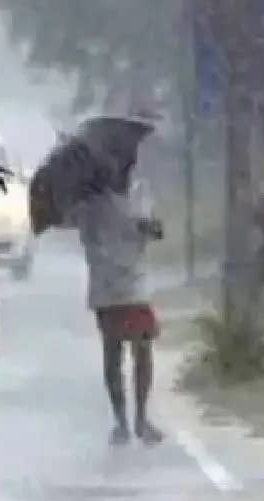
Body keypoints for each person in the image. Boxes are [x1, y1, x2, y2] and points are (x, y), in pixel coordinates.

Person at [76, 156, 165, 446]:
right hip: (107, 285)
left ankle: (140, 418)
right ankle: (122, 421)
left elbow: (156, 230)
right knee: (113, 354)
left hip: (134, 283)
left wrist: (148, 227)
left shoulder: (140, 191)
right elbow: (87, 239)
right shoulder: (91, 203)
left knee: (142, 350)